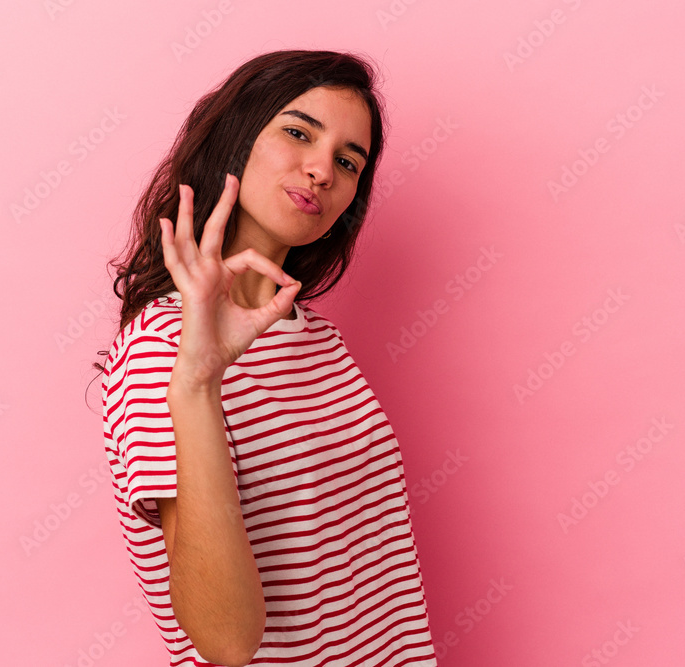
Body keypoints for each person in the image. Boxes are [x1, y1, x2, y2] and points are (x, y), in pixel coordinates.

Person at [94, 49, 438, 666]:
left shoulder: (318, 338)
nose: (322, 170)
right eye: (298, 133)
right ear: (237, 136)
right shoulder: (162, 348)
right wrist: (197, 383)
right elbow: (225, 642)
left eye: (348, 162)